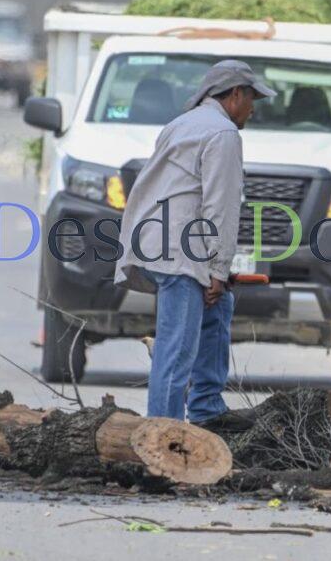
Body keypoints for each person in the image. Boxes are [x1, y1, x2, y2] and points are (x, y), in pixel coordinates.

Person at [115, 60, 275, 430]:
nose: (253, 108)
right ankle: (163, 434)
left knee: (218, 309)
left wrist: (216, 274)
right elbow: (220, 205)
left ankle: (205, 410)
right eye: (252, 98)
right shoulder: (223, 133)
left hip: (158, 240)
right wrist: (217, 269)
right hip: (178, 251)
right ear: (235, 94)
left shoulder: (182, 123)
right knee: (176, 350)